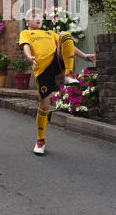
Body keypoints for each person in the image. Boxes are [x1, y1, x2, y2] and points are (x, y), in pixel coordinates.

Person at [19, 8, 95, 156]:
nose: (38, 18)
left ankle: (68, 74)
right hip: (42, 69)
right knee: (45, 105)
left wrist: (85, 56)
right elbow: (26, 46)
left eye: (40, 16)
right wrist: (29, 57)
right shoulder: (26, 33)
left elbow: (69, 46)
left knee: (65, 35)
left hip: (56, 60)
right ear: (27, 21)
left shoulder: (49, 33)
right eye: (34, 16)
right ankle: (40, 140)